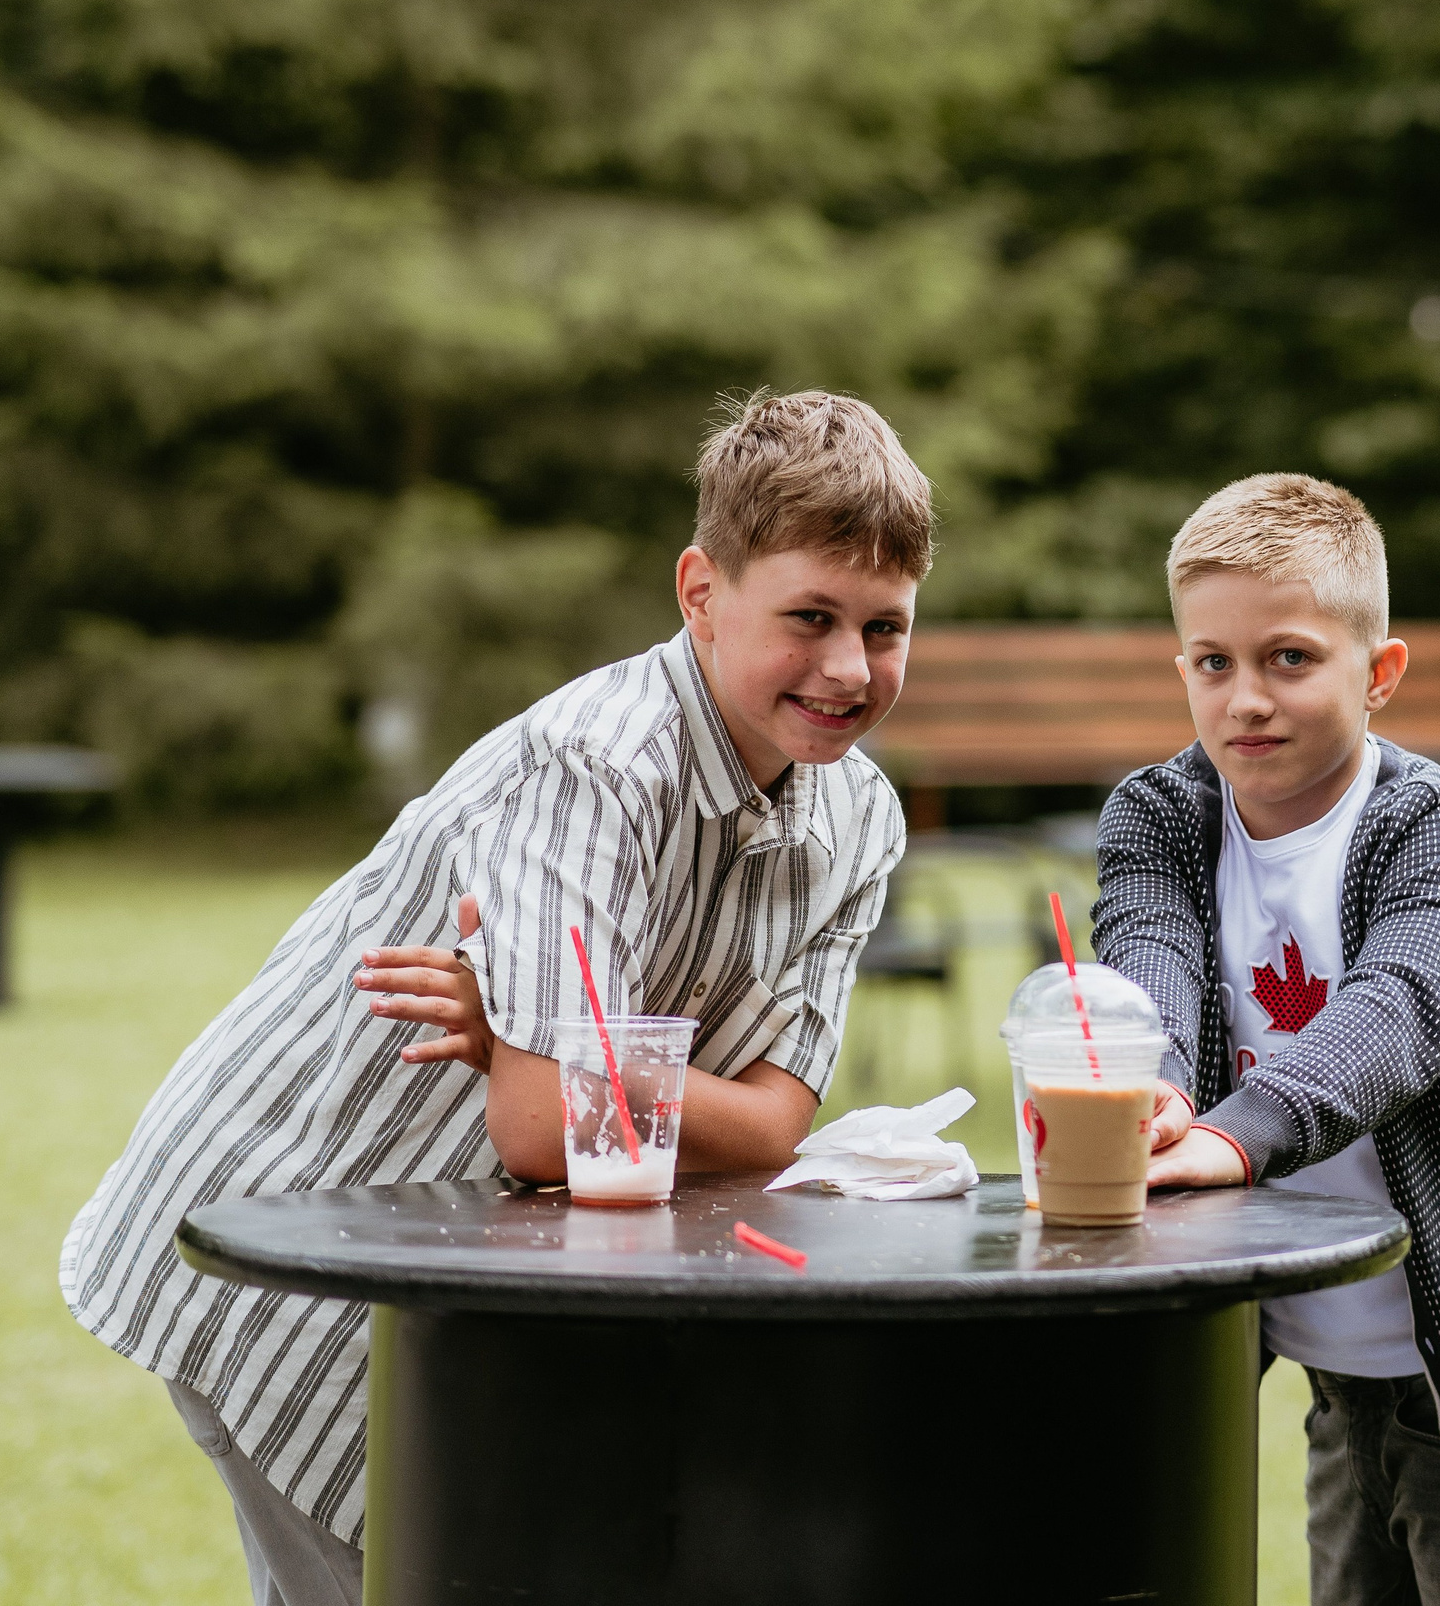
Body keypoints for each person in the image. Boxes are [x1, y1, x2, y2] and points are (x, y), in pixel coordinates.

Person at [59, 390, 931, 1606]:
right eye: (808, 616)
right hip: (305, 1233)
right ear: (699, 591)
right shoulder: (597, 765)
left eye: (883, 626)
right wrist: (569, 1078)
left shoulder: (861, 815)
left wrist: (573, 1057)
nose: (848, 666)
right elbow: (540, 1130)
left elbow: (776, 1125)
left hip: (506, 1277)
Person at [1092, 474, 1440, 1606]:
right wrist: (1158, 1094)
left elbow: (1399, 1015)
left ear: (1377, 673)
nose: (1246, 698)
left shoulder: (1433, 828)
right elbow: (1151, 964)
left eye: (1289, 657)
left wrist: (1232, 1140)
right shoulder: (1157, 815)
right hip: (1341, 1378)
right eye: (1211, 662)